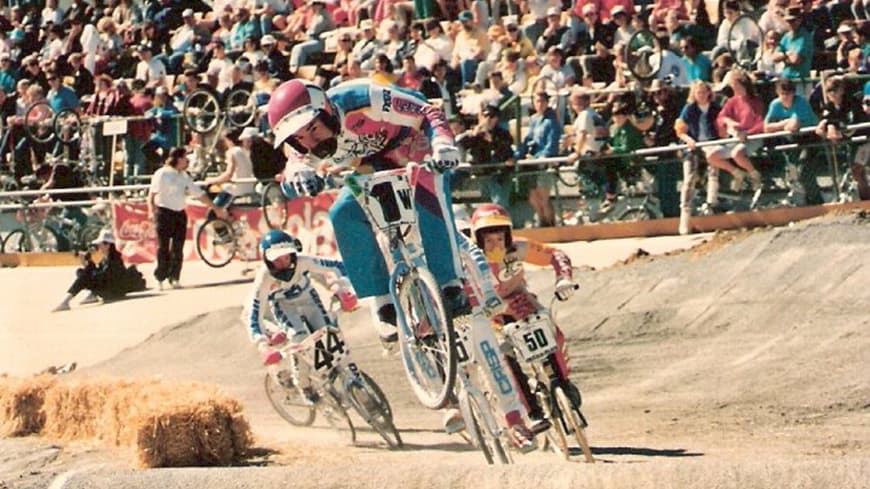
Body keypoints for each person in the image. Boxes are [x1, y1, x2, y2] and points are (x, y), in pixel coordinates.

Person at [267, 79, 467, 348]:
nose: (313, 142)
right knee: (343, 214)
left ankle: (449, 283)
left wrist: (443, 143)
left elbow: (427, 112)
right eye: (301, 138)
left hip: (412, 142)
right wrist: (300, 180)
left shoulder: (362, 99)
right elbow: (291, 177)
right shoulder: (301, 147)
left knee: (427, 191)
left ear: (326, 110)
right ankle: (381, 300)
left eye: (314, 129)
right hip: (371, 165)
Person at [469, 203, 577, 436]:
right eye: (488, 240)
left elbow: (556, 255)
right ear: (477, 239)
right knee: (503, 356)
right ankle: (532, 412)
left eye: (499, 238)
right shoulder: (466, 262)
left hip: (519, 300)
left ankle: (564, 381)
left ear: (507, 235)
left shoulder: (518, 248)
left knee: (553, 333)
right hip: (490, 314)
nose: (495, 244)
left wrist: (563, 279)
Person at [241, 230, 357, 401]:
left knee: (329, 330)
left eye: (287, 257)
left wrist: (343, 290)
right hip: (281, 309)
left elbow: (337, 266)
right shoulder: (264, 278)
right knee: (297, 339)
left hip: (308, 299)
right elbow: (252, 316)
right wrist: (263, 345)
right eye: (277, 260)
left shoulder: (303, 261)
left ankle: (346, 368)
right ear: (267, 260)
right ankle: (302, 384)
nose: (284, 264)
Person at [147, 148, 228, 290]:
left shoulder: (184, 176)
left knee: (178, 247)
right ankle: (160, 276)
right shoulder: (162, 174)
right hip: (164, 212)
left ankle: (174, 277)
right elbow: (152, 195)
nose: (187, 161)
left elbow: (198, 194)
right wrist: (151, 211)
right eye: (184, 158)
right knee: (163, 247)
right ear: (177, 158)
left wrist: (215, 208)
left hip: (179, 213)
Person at [51, 229, 146, 312]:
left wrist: (89, 266)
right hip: (109, 287)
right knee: (82, 272)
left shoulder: (114, 259)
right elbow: (98, 272)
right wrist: (86, 262)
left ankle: (67, 301)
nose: (98, 247)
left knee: (85, 275)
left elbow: (102, 276)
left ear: (107, 245)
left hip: (114, 292)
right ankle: (92, 295)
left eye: (100, 244)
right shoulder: (108, 257)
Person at [515, 90, 562, 227]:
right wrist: (518, 155)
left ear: (547, 103)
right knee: (533, 198)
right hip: (533, 163)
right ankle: (542, 222)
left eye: (542, 101)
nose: (540, 104)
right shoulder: (534, 120)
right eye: (537, 101)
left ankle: (550, 224)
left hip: (545, 163)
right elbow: (527, 141)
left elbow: (551, 145)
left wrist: (538, 158)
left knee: (543, 197)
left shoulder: (552, 121)